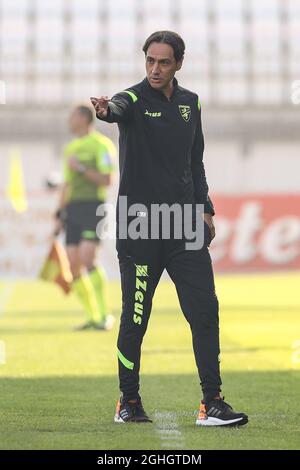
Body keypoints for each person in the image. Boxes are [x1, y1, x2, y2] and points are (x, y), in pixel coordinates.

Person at [91, 31, 248, 426]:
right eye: (149, 61)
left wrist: (205, 208)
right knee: (136, 316)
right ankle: (128, 401)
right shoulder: (131, 99)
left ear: (179, 62)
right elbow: (117, 108)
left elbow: (196, 162)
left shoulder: (190, 103)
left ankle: (211, 402)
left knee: (204, 310)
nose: (155, 69)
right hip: (140, 228)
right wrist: (106, 109)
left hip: (183, 227)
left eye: (163, 62)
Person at [54, 104, 115, 331]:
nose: (69, 120)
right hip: (73, 209)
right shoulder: (70, 148)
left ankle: (104, 315)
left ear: (83, 118)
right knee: (72, 264)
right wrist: (59, 214)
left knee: (88, 258)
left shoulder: (101, 145)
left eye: (72, 116)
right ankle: (92, 317)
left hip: (93, 207)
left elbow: (107, 180)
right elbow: (67, 184)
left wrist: (81, 168)